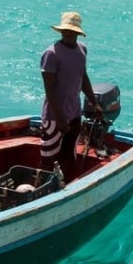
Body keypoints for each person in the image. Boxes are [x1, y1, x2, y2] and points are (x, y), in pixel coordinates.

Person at [39, 11, 100, 174]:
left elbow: (83, 77)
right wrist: (59, 117)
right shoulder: (51, 54)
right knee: (49, 158)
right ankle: (45, 190)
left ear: (77, 33)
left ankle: (67, 185)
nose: (68, 33)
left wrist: (94, 102)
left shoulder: (82, 50)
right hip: (54, 117)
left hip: (74, 113)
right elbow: (49, 89)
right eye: (65, 30)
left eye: (71, 31)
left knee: (69, 153)